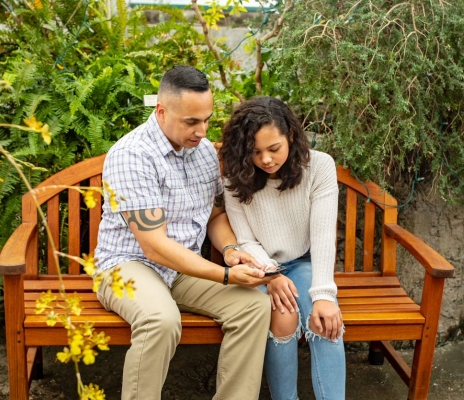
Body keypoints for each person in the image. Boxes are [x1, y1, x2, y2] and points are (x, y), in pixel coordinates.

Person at [94, 66, 277, 400]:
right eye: (191, 122)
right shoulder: (132, 155)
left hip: (182, 268)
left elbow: (216, 216)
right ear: (161, 111)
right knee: (160, 321)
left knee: (253, 307)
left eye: (206, 120)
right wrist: (225, 274)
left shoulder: (204, 153)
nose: (202, 131)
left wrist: (232, 251)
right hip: (128, 265)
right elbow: (155, 248)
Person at [220, 96, 347, 400]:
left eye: (273, 148)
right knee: (283, 316)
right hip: (259, 267)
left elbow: (322, 236)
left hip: (304, 262)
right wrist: (272, 275)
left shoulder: (319, 166)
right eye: (255, 152)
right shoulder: (234, 175)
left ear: (290, 134)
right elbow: (246, 240)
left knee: (326, 321)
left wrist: (325, 297)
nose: (265, 159)